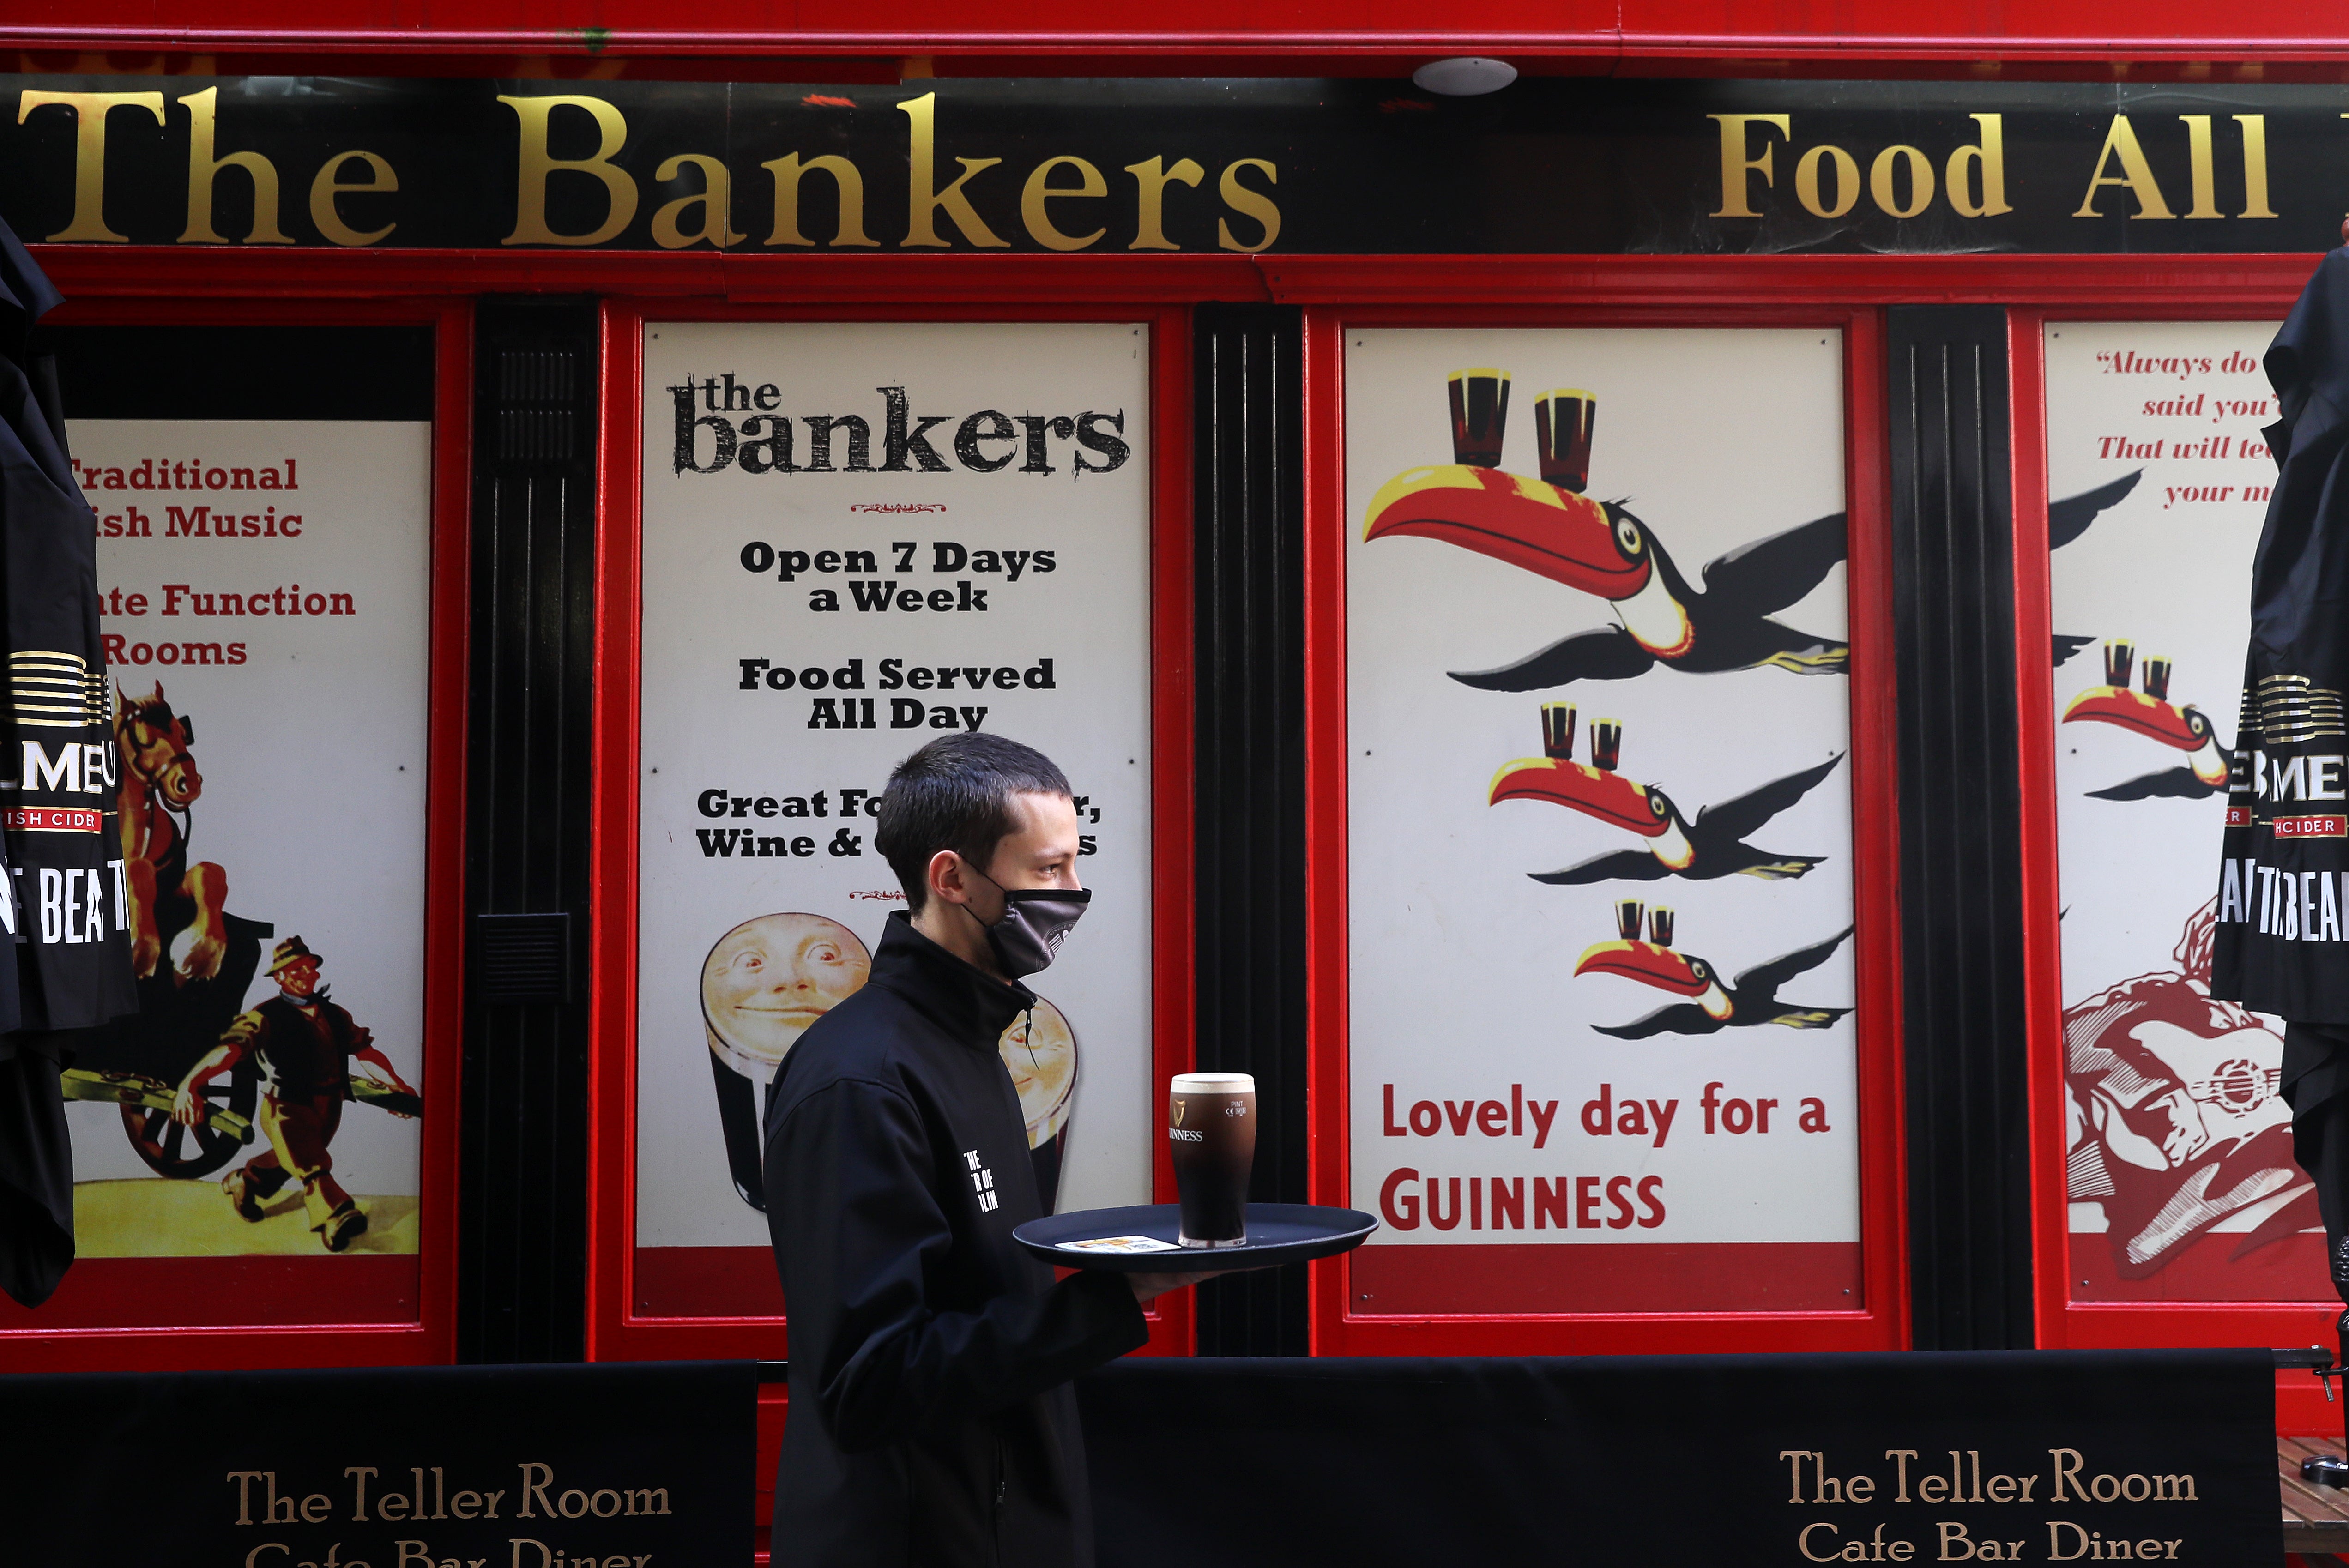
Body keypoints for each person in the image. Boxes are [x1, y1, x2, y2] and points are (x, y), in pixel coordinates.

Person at [763, 733, 1212, 1568]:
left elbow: (980, 1306)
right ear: (950, 878)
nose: (1074, 894)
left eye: (1075, 864)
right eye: (1047, 871)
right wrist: (1118, 1295)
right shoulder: (860, 1080)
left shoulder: (967, 1040)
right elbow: (870, 1383)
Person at [171, 935, 416, 1252]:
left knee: (291, 1160)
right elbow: (229, 1051)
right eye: (295, 970)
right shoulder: (264, 1017)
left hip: (329, 1106)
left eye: (309, 968)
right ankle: (337, 1216)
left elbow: (366, 1053)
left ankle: (246, 1181)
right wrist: (189, 1084)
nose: (305, 975)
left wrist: (397, 1085)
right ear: (280, 978)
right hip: (285, 1107)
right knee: (313, 1166)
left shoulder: (336, 1015)